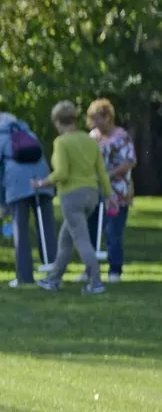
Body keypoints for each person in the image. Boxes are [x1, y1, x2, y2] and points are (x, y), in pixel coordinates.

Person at [32, 101, 114, 295]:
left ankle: (95, 281)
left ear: (58, 122)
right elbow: (102, 171)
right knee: (66, 240)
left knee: (81, 239)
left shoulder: (61, 142)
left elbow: (61, 172)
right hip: (91, 196)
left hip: (72, 196)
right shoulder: (90, 141)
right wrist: (109, 195)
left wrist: (41, 183)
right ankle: (54, 279)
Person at [0, 112, 56, 287]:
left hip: (17, 186)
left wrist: (2, 203)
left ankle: (25, 277)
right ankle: (54, 274)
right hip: (42, 182)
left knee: (21, 230)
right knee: (47, 228)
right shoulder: (30, 134)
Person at [86, 99, 136, 284]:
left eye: (98, 118)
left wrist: (107, 175)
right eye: (93, 119)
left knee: (112, 230)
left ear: (108, 117)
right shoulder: (92, 137)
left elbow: (130, 161)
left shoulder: (121, 137)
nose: (95, 123)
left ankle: (115, 270)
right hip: (94, 191)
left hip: (117, 193)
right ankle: (90, 269)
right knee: (90, 230)